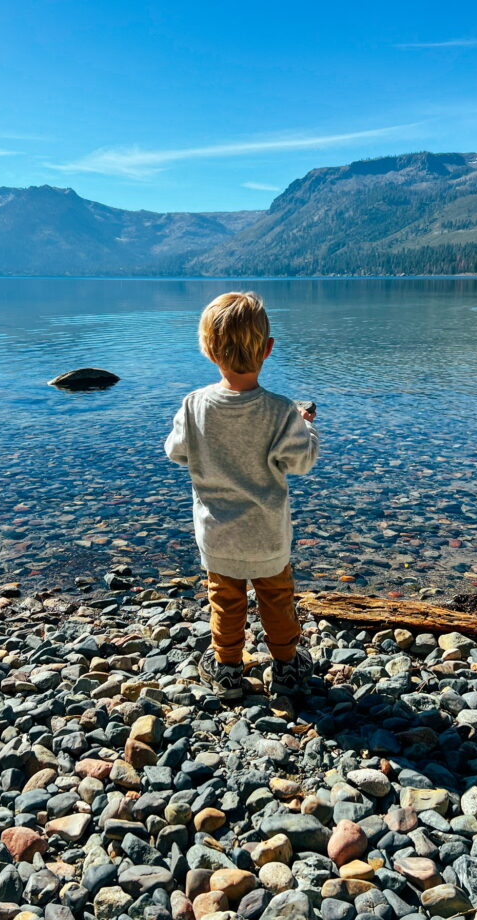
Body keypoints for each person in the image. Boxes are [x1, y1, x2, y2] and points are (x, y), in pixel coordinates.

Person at [164, 291, 319, 699]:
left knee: (225, 601)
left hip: (217, 535)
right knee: (277, 599)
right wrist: (305, 427)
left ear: (207, 349)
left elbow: (175, 452)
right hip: (267, 535)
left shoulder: (194, 404)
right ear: (268, 349)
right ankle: (286, 666)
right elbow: (301, 461)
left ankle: (228, 669)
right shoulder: (281, 410)